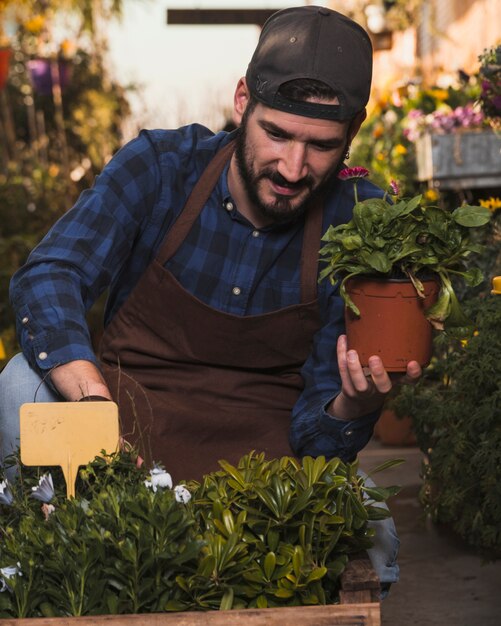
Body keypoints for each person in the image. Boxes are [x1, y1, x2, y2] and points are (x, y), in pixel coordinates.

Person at [0, 5, 420, 593]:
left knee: (378, 540)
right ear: (243, 102)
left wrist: (352, 406)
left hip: (261, 463)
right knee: (20, 380)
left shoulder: (358, 222)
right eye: (277, 133)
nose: (293, 167)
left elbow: (320, 437)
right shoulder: (161, 168)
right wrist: (93, 405)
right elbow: (48, 275)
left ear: (352, 132)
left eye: (321, 145)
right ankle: (56, 561)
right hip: (125, 438)